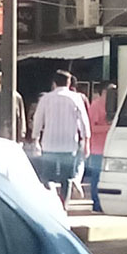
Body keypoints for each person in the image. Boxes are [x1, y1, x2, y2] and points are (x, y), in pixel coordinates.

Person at [32, 70, 91, 209]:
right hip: (68, 144)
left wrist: (36, 138)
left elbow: (38, 119)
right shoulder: (75, 98)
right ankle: (64, 204)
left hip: (49, 144)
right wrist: (86, 140)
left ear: (54, 83)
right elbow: (83, 120)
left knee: (47, 176)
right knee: (67, 178)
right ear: (69, 83)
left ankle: (49, 201)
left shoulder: (46, 98)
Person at [86, 82, 115, 213]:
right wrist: (108, 128)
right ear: (104, 92)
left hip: (112, 148)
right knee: (97, 176)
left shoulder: (117, 105)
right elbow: (90, 128)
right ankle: (96, 204)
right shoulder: (96, 105)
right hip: (98, 148)